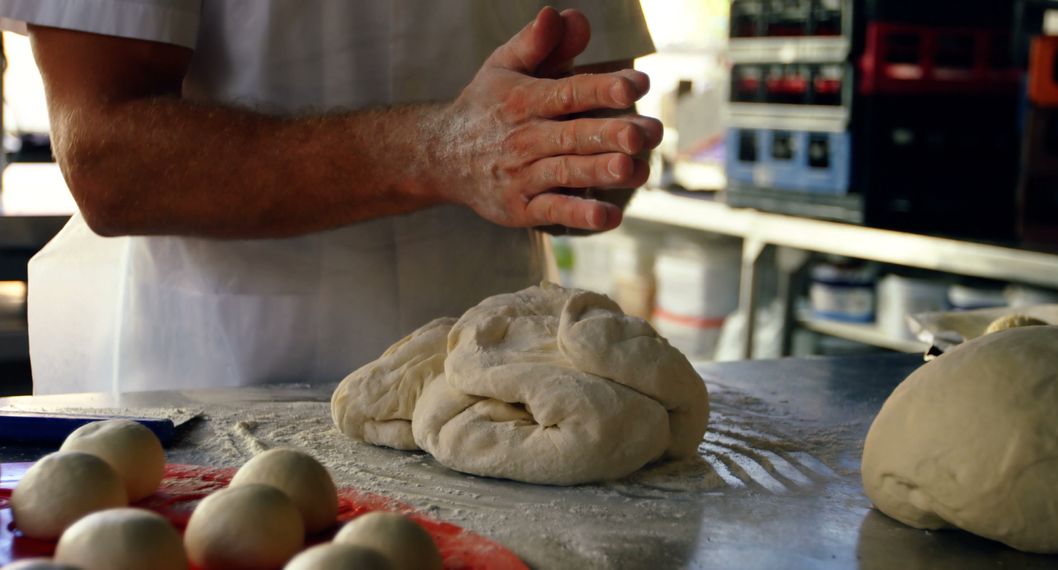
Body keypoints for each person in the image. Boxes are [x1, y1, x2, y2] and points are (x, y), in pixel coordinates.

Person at [0, 1, 661, 394]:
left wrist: (578, 153)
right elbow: (110, 160)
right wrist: (444, 151)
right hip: (225, 393)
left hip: (503, 390)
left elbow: (589, 120)